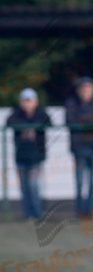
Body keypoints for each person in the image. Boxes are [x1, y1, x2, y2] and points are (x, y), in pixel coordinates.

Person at [7, 88, 52, 221]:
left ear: (35, 102)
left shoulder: (41, 114)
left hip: (36, 156)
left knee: (33, 186)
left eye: (30, 101)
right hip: (21, 156)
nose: (27, 104)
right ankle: (27, 214)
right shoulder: (16, 114)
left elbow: (48, 122)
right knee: (24, 187)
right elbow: (10, 122)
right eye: (25, 101)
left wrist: (33, 128)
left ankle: (37, 213)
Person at [65, 77, 93, 218]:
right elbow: (70, 121)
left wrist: (82, 122)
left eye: (88, 89)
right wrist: (88, 122)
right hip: (79, 147)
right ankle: (79, 210)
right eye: (83, 89)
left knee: (92, 181)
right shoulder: (71, 104)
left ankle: (89, 210)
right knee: (80, 181)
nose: (85, 92)